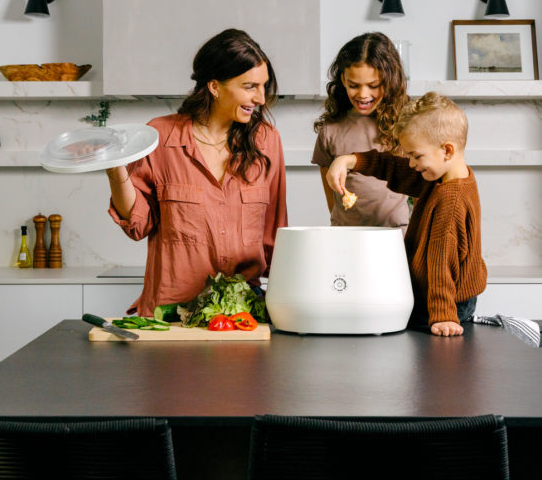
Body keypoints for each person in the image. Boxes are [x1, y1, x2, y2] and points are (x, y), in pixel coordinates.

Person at [106, 29, 288, 315]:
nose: (261, 98)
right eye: (250, 86)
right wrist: (115, 169)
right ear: (215, 87)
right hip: (173, 313)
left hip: (243, 314)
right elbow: (138, 224)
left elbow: (276, 235)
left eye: (264, 86)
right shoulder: (160, 136)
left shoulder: (267, 141)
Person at [325, 92, 486, 337]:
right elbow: (394, 167)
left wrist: (443, 315)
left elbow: (441, 262)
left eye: (416, 155)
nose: (411, 163)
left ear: (447, 150)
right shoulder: (442, 176)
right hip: (441, 296)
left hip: (443, 302)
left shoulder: (449, 200)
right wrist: (349, 161)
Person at [311, 32, 410, 228]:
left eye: (373, 85)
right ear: (343, 80)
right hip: (347, 235)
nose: (363, 95)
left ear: (389, 81)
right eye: (354, 85)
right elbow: (331, 193)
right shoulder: (331, 129)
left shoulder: (405, 124)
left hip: (395, 235)